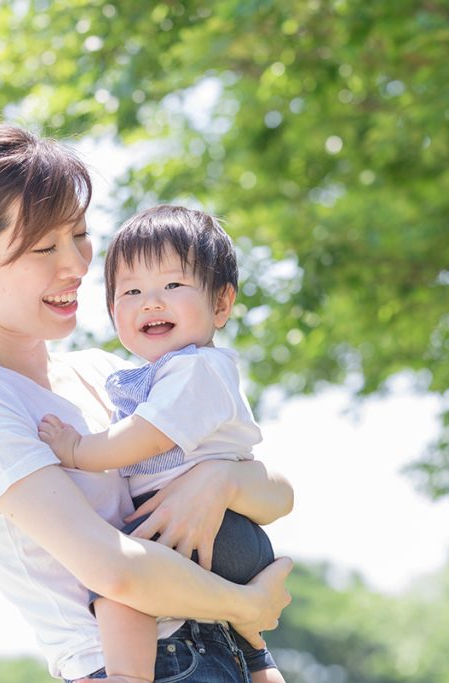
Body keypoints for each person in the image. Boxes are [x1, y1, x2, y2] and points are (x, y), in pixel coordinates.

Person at [0, 124, 293, 683]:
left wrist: (223, 482)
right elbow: (114, 570)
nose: (77, 265)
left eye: (80, 235)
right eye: (45, 247)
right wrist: (246, 606)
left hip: (224, 651)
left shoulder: (107, 373)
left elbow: (277, 493)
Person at [38, 205, 285, 683]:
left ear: (220, 303)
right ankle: (260, 662)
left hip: (212, 530)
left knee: (118, 585)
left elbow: (145, 438)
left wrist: (76, 450)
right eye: (131, 292)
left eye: (172, 285)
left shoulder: (197, 369)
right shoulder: (167, 374)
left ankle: (128, 676)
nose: (151, 302)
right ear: (113, 313)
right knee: (212, 612)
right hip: (220, 528)